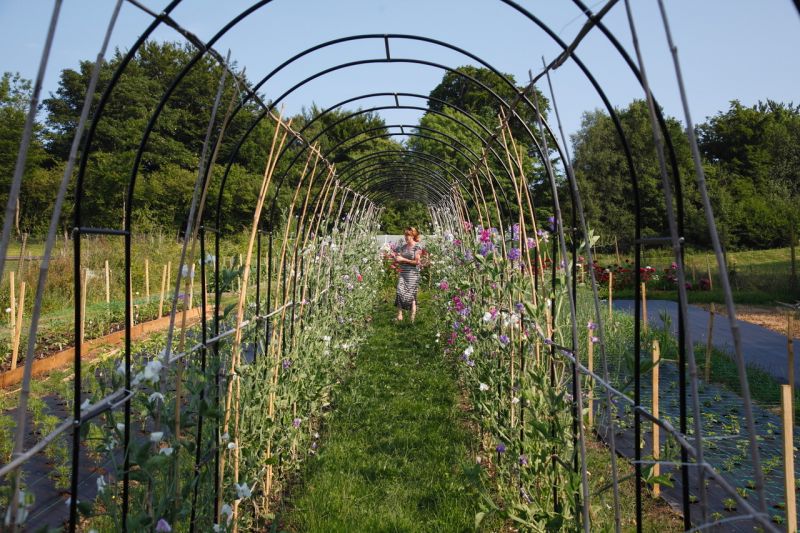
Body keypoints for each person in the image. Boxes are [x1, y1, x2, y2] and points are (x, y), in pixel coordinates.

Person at [394, 226, 423, 322]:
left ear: (413, 235)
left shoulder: (417, 247)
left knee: (411, 296)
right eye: (405, 235)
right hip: (403, 273)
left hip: (412, 275)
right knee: (399, 291)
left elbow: (417, 262)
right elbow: (400, 260)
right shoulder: (403, 247)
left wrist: (403, 259)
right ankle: (399, 315)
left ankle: (412, 320)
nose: (406, 237)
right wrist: (397, 259)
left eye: (408, 235)